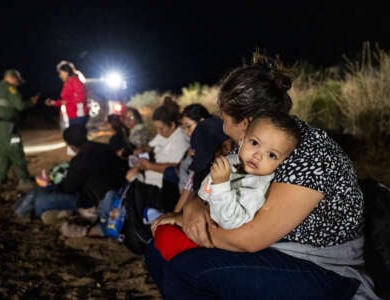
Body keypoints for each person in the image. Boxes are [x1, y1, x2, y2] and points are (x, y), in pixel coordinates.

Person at [145, 58, 379, 299]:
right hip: (272, 252)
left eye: (225, 120)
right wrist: (193, 208)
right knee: (158, 251)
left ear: (245, 123)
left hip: (321, 268)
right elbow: (212, 187)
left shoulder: (312, 154)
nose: (224, 129)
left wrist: (192, 228)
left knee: (187, 268)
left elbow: (250, 240)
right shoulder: (253, 144)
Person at [152, 112, 300, 261]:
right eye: (254, 143)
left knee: (165, 239)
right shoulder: (232, 161)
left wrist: (221, 184)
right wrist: (199, 207)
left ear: (281, 163)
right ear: (243, 139)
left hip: (219, 238)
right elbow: (205, 190)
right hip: (202, 220)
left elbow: (231, 221)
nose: (258, 155)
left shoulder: (256, 187)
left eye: (272, 155)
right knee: (160, 235)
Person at [14, 124, 125, 221]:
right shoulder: (104, 148)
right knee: (40, 192)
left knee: (41, 200)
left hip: (92, 201)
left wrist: (52, 186)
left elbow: (69, 188)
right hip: (114, 193)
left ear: (71, 146)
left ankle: (38, 215)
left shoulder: (81, 160)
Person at [0, 69, 37, 191]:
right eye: (17, 81)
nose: (17, 84)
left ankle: (0, 179)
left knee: (4, 152)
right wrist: (31, 102)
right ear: (12, 78)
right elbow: (20, 106)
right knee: (16, 152)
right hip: (10, 127)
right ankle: (24, 179)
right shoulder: (11, 90)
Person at [128, 97, 189, 190]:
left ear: (172, 125)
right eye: (156, 128)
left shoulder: (181, 142)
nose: (158, 131)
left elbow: (177, 169)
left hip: (160, 186)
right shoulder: (164, 133)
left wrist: (149, 166)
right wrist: (143, 151)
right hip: (148, 177)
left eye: (160, 128)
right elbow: (151, 146)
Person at [45, 61, 89, 127]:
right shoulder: (67, 83)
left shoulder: (75, 81)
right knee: (76, 136)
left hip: (79, 114)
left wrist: (66, 102)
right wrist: (54, 103)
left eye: (60, 73)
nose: (59, 76)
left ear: (66, 72)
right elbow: (66, 100)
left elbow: (81, 97)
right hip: (72, 115)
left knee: (76, 136)